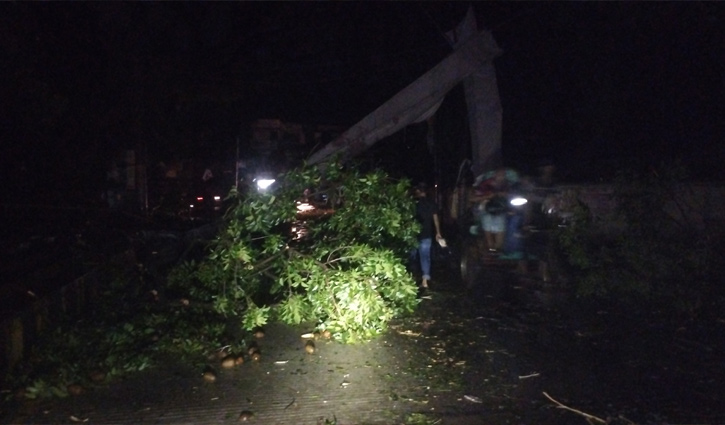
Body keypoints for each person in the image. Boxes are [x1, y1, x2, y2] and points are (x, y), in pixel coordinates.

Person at [471, 167, 519, 252]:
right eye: (499, 173)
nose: (501, 175)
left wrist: (505, 196)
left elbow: (514, 197)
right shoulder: (485, 184)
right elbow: (473, 198)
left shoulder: (508, 185)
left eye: (503, 174)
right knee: (487, 219)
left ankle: (498, 250)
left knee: (501, 221)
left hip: (502, 211)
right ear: (494, 174)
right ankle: (490, 248)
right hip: (486, 210)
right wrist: (488, 197)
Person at [412, 182, 443, 291]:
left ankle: (410, 278)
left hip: (414, 235)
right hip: (427, 234)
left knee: (412, 257)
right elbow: (435, 219)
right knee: (425, 257)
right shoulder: (431, 203)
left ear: (419, 191)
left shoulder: (414, 203)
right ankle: (425, 282)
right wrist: (438, 232)